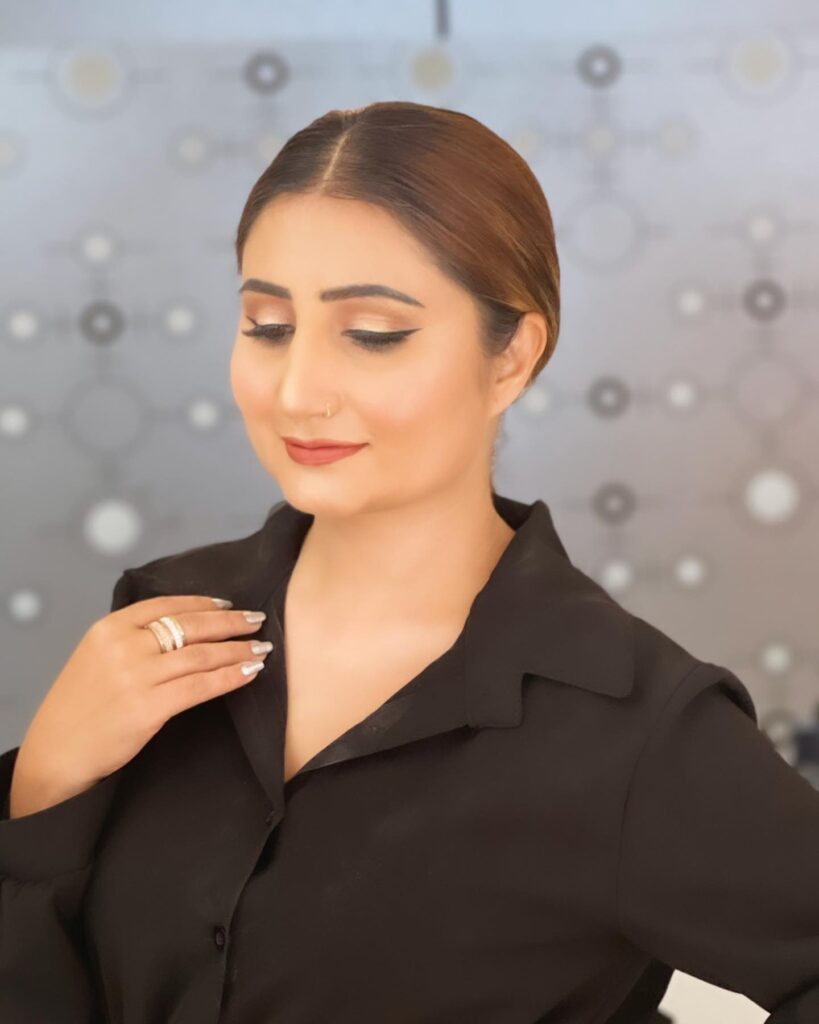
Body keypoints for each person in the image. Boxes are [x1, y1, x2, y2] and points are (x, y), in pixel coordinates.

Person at [1, 100, 817, 1024]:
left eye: (373, 334)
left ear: (510, 358)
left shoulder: (633, 729)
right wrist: (44, 787)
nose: (297, 391)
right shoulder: (160, 621)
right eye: (267, 325)